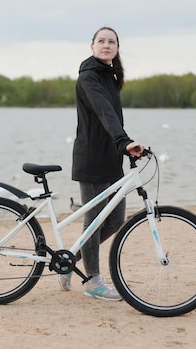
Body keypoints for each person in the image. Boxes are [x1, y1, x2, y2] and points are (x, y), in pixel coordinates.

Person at [59, 26, 145, 301]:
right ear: (92, 46)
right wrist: (124, 140)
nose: (106, 45)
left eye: (112, 42)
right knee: (94, 221)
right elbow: (104, 112)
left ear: (117, 48)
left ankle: (71, 258)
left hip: (111, 158)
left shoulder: (111, 76)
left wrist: (124, 145)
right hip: (91, 159)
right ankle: (93, 280)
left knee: (115, 220)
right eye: (101, 41)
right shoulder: (89, 77)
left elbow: (114, 117)